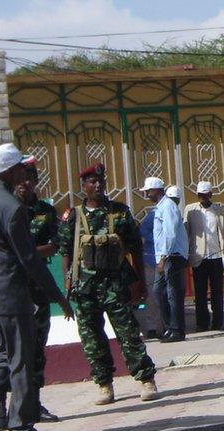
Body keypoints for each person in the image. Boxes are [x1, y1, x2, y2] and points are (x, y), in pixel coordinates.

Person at [0, 143, 72, 431]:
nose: (26, 174)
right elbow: (29, 259)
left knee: (3, 357)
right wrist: (57, 296)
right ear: (12, 171)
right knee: (21, 360)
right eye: (23, 168)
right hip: (10, 293)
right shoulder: (12, 208)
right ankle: (23, 429)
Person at [58, 163, 159, 405]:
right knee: (92, 338)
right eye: (92, 182)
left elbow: (135, 248)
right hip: (85, 289)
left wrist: (141, 284)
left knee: (129, 334)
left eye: (101, 181)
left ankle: (146, 379)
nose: (98, 185)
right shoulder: (73, 216)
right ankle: (104, 384)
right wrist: (67, 284)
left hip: (116, 285)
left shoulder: (120, 213)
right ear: (83, 186)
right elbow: (65, 253)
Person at [140, 177, 188, 343]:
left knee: (173, 294)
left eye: (148, 191)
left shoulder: (168, 207)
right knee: (158, 291)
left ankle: (177, 330)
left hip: (172, 256)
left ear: (157, 191)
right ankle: (169, 327)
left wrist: (164, 257)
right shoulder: (159, 208)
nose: (146, 194)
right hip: (164, 256)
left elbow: (170, 234)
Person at [184, 181, 224, 332]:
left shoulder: (219, 211)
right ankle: (202, 323)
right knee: (200, 292)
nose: (203, 198)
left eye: (205, 195)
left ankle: (218, 322)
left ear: (211, 195)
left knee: (217, 291)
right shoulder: (190, 210)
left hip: (216, 256)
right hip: (199, 257)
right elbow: (186, 232)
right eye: (200, 195)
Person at [136, 208, 162, 338]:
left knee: (165, 296)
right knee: (151, 294)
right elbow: (142, 231)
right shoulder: (153, 214)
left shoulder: (173, 214)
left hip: (166, 260)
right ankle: (152, 327)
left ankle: (164, 325)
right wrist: (157, 238)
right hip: (151, 260)